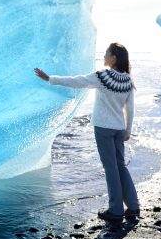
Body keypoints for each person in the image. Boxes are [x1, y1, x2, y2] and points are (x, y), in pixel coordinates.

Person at [34, 42, 140, 222]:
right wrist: (128, 129)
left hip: (103, 128)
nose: (104, 56)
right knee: (120, 166)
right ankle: (133, 206)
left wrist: (50, 78)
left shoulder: (102, 76)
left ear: (113, 58)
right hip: (119, 128)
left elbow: (77, 81)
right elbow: (130, 109)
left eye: (107, 53)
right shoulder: (128, 81)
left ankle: (115, 210)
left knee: (111, 168)